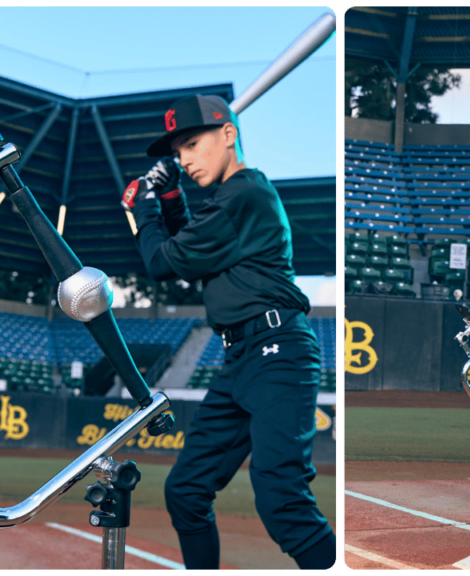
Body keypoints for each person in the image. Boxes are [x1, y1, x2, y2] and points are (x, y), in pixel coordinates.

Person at [120, 94, 336, 570]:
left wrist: (145, 208)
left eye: (193, 144)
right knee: (186, 491)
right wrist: (172, 197)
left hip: (279, 353)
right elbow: (193, 255)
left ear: (229, 134)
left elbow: (164, 261)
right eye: (179, 153)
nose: (185, 159)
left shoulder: (244, 193)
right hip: (242, 358)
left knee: (282, 500)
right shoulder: (231, 204)